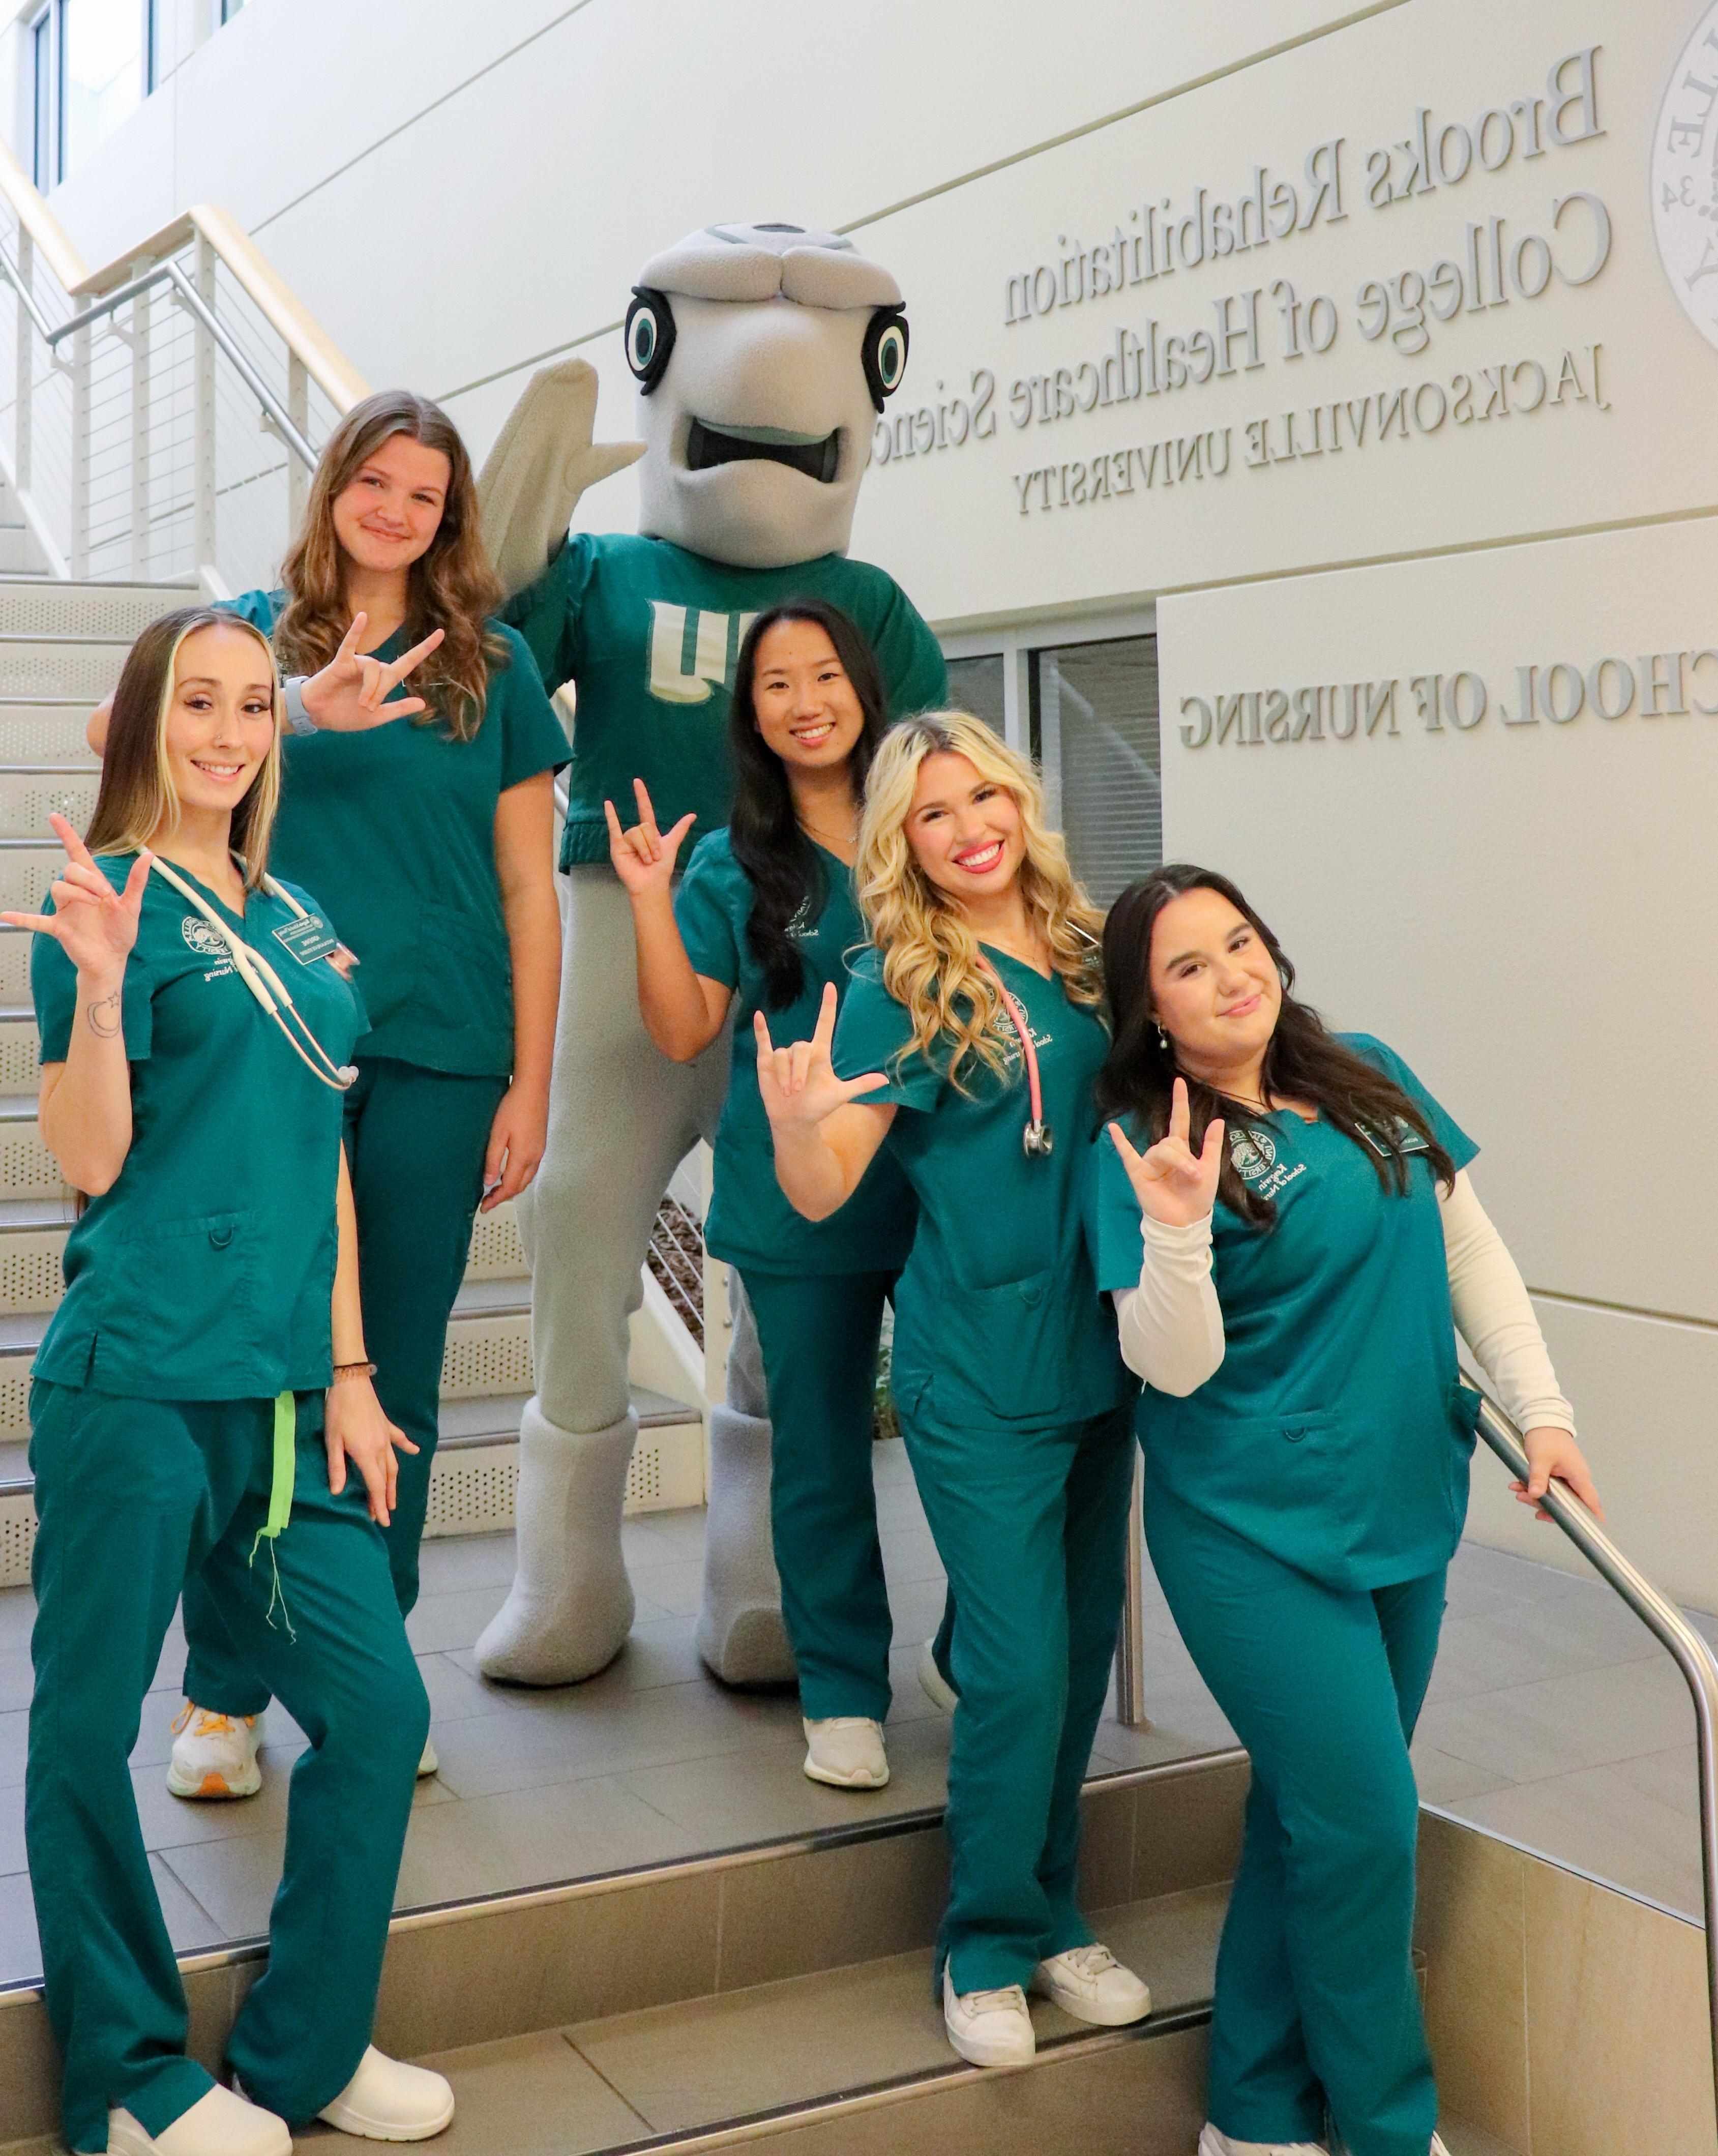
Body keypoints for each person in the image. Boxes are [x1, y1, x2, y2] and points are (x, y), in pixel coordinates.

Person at [12, 609, 453, 2155]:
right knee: (83, 1730)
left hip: (283, 1401)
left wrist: (347, 1363)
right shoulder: (102, 900)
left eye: (253, 705)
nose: (227, 729)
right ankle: (127, 2079)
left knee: (379, 1706)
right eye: (196, 702)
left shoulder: (301, 914)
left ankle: (307, 2049)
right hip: (137, 1383)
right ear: (146, 721)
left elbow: (325, 1157)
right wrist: (103, 988)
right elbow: (88, 1159)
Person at [94, 390, 569, 1798]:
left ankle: (366, 1680)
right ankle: (227, 1693)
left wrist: (532, 1081)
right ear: (335, 488)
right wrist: (297, 707)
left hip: (437, 1054)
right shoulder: (246, 637)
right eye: (376, 481)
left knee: (393, 1375)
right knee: (260, 1362)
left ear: (451, 517)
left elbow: (529, 894)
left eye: (425, 493)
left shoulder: (500, 669)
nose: (396, 511)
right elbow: (127, 747)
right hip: (262, 1049)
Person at [1087, 863, 1601, 2156]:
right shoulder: (1149, 1139)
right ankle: (1384, 2125)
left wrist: (1544, 1411)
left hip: (1398, 1497)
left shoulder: (1364, 1070)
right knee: (1365, 1821)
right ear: (1149, 1011)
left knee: (1310, 1812)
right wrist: (1179, 1232)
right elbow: (1172, 1359)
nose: (1230, 975)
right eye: (1188, 966)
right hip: (1246, 1527)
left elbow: (1469, 1245)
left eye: (1241, 942)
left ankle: (1254, 2115)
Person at [754, 711, 1152, 2068]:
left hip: (1107, 1354)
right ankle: (981, 1941)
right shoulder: (896, 984)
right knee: (1018, 1666)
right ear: (901, 843)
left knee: (1082, 1649)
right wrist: (795, 1120)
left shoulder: (1103, 959)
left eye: (983, 793)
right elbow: (822, 1189)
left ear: (1018, 799)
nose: (969, 824)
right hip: (976, 1368)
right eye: (934, 812)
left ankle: (1053, 1915)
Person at [606, 600, 917, 1788]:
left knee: (974, 1436)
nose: (804, 700)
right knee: (824, 1448)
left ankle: (979, 1647)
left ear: (862, 689)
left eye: (824, 674)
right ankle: (843, 1690)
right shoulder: (736, 865)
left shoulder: (927, 831)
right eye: (776, 684)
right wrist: (644, 896)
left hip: (950, 1184)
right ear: (752, 717)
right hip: (799, 1197)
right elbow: (686, 1023)